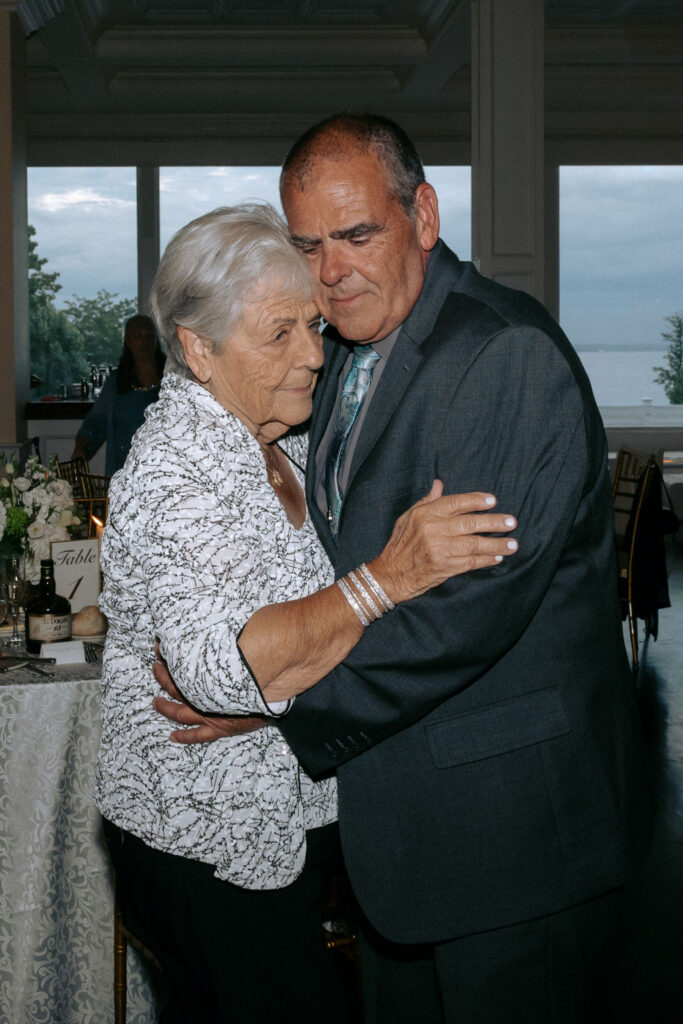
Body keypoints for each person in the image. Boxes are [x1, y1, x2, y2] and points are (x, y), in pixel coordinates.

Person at [156, 115, 652, 1023]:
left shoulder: (501, 354)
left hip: (506, 842)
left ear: (423, 215)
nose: (331, 269)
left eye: (356, 235)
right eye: (307, 244)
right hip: (404, 837)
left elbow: (461, 617)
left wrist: (273, 706)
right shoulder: (341, 354)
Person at [96, 202, 519, 1024]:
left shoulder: (278, 445)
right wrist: (385, 577)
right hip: (206, 842)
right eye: (279, 334)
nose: (314, 356)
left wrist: (273, 706)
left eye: (313, 327)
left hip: (284, 827)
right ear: (197, 348)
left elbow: (265, 674)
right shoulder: (179, 471)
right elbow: (232, 669)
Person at [71, 314, 164, 475]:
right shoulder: (115, 382)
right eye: (138, 336)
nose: (144, 341)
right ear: (128, 341)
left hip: (163, 469)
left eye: (149, 336)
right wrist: (81, 448)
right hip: (124, 470)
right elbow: (96, 422)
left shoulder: (172, 378)